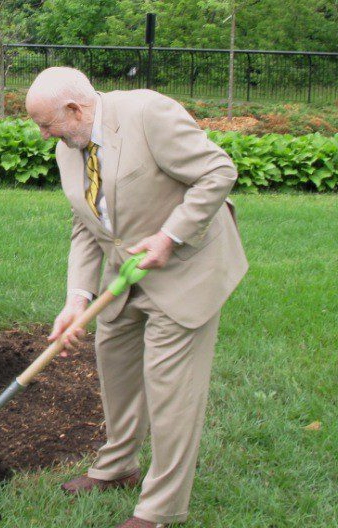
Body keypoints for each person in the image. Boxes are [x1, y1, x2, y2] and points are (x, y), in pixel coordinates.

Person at [25, 67, 247, 528]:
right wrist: (77, 298)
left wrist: (170, 237)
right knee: (115, 364)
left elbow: (219, 171)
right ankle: (118, 466)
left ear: (75, 109)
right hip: (126, 274)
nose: (43, 135)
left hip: (186, 267)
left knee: (170, 390)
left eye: (47, 124)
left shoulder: (148, 113)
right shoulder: (70, 147)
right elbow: (86, 225)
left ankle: (160, 508)